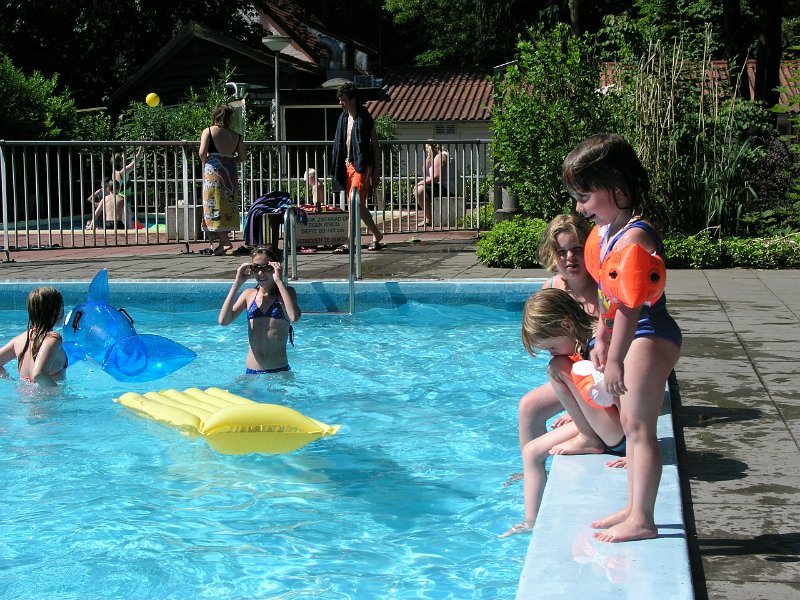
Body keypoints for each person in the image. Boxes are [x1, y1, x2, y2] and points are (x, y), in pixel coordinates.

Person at [562, 133, 681, 543]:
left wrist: (614, 357)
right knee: (631, 425)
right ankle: (633, 508)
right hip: (632, 335)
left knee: (640, 427)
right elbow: (608, 296)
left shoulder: (634, 237)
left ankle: (643, 519)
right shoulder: (612, 231)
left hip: (649, 335)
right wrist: (600, 337)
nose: (580, 208)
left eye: (584, 197)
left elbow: (630, 305)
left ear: (616, 187)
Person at [500, 288, 625, 538]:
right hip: (607, 429)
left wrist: (635, 447)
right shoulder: (585, 341)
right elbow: (594, 391)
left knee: (557, 367)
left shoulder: (598, 348)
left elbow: (623, 397)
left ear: (567, 325)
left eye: (551, 346)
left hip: (618, 436)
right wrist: (578, 408)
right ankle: (531, 522)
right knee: (531, 452)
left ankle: (588, 440)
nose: (552, 352)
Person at [218, 245, 301, 374]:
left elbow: (294, 317)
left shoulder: (286, 293)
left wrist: (279, 281)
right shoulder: (248, 294)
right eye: (256, 268)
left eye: (267, 268)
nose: (261, 273)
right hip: (251, 372)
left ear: (276, 267)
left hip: (279, 372)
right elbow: (223, 321)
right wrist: (237, 283)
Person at [331, 82, 384, 253]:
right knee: (355, 204)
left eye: (344, 99)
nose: (341, 103)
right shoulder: (343, 119)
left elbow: (375, 145)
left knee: (355, 203)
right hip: (347, 164)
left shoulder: (365, 119)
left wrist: (376, 172)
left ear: (353, 99)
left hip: (361, 165)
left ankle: (350, 242)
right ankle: (376, 235)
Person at [199, 103, 247, 256]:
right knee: (226, 206)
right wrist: (229, 161)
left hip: (214, 171)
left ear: (215, 115)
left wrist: (209, 161)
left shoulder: (208, 131)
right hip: (230, 172)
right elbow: (242, 156)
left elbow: (202, 152)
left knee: (213, 205)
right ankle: (221, 243)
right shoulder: (236, 135)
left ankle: (225, 241)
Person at [0, 287, 68, 387]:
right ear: (56, 311)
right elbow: (38, 374)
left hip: (23, 396)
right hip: (49, 397)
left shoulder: (19, 340)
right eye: (62, 307)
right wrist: (60, 393)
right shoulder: (52, 339)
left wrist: (13, 382)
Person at [414, 142, 449, 226]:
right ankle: (429, 218)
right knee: (421, 188)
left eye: (427, 149)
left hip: (448, 189)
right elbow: (426, 175)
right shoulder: (436, 157)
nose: (427, 151)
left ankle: (429, 219)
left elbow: (436, 177)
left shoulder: (441, 156)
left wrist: (418, 184)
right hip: (442, 187)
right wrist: (428, 159)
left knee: (419, 190)